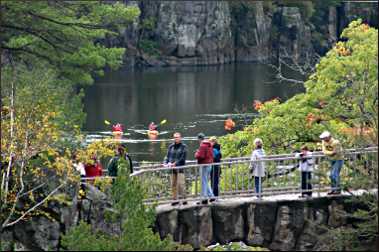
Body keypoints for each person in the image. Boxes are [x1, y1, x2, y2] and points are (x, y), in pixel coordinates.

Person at [164, 132, 187, 206]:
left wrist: (175, 164)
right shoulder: (171, 146)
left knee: (181, 184)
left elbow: (183, 158)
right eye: (175, 137)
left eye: (177, 137)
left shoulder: (184, 146)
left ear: (180, 138)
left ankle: (184, 199)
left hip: (180, 168)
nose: (176, 138)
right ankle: (175, 200)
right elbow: (167, 157)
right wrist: (165, 163)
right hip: (172, 168)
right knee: (173, 184)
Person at [195, 133, 214, 204]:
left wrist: (196, 153)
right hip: (209, 165)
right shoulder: (209, 145)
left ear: (199, 139)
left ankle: (204, 198)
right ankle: (211, 196)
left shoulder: (202, 146)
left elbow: (200, 156)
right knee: (206, 181)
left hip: (204, 165)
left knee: (203, 182)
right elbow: (212, 155)